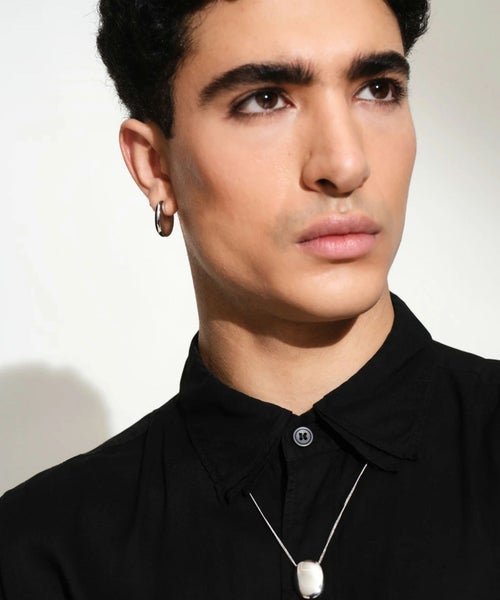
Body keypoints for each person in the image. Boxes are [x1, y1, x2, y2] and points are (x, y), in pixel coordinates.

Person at [1, 0, 499, 598]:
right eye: (265, 99)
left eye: (377, 89)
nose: (345, 164)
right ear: (155, 166)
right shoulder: (42, 552)